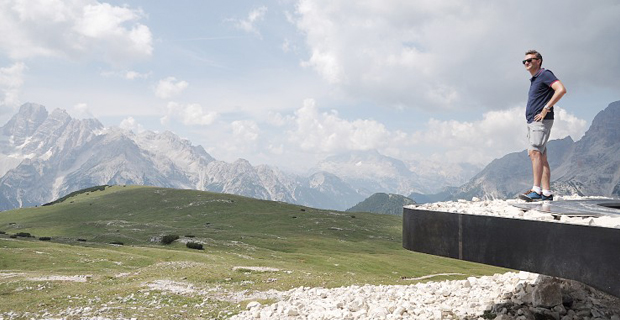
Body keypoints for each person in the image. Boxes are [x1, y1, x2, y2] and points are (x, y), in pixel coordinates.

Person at [519, 50, 566, 202]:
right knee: (542, 156)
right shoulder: (535, 78)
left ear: (538, 61)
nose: (526, 63)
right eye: (524, 61)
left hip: (540, 120)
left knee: (535, 152)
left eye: (530, 60)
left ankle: (536, 190)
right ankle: (546, 192)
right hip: (534, 121)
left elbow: (561, 89)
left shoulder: (545, 74)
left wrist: (546, 108)